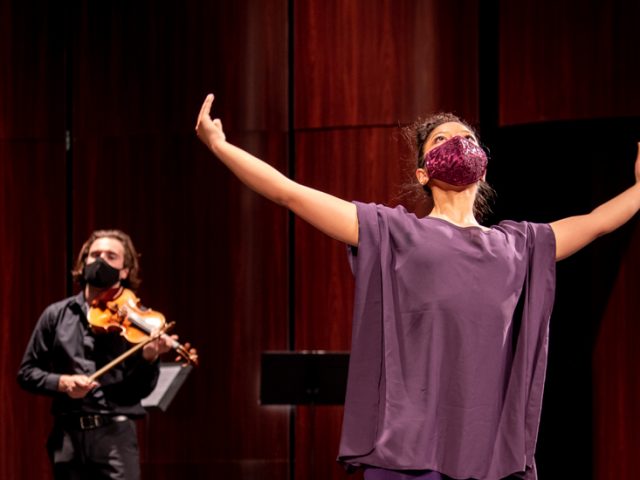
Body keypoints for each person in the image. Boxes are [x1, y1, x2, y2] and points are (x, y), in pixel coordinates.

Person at [195, 94, 640, 480]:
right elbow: (289, 193)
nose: (456, 144)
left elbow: (596, 224)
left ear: (483, 166)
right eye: (441, 140)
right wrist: (221, 147)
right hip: (409, 447)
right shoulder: (393, 230)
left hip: (484, 452)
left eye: (465, 138)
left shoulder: (517, 244)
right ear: (424, 172)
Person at [17, 229, 176, 480]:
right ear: (83, 263)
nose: (101, 261)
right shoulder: (56, 315)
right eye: (95, 255)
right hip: (67, 436)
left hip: (115, 436)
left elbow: (139, 391)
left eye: (111, 256)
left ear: (125, 270)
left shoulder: (138, 320)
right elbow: (26, 373)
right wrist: (62, 382)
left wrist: (148, 358)